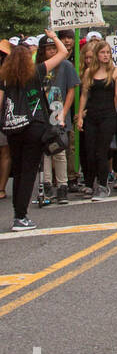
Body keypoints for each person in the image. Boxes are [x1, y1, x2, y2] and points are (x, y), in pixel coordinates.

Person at [0, 31, 70, 230]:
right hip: (34, 125)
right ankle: (20, 216)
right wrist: (54, 37)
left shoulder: (4, 78)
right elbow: (63, 52)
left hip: (13, 127)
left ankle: (17, 213)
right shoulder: (37, 71)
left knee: (19, 170)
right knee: (29, 171)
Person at [78, 40, 117, 201]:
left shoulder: (115, 72)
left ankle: (102, 184)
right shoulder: (89, 73)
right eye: (102, 52)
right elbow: (84, 94)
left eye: (108, 52)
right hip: (91, 115)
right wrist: (80, 116)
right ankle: (90, 182)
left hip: (108, 115)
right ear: (97, 55)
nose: (106, 55)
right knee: (90, 151)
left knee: (101, 151)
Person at [34, 36, 79, 206]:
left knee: (59, 150)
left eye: (54, 48)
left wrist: (63, 113)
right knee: (44, 151)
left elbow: (71, 90)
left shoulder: (66, 66)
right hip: (42, 112)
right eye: (48, 48)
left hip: (58, 109)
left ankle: (62, 186)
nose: (51, 51)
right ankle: (46, 185)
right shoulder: (39, 68)